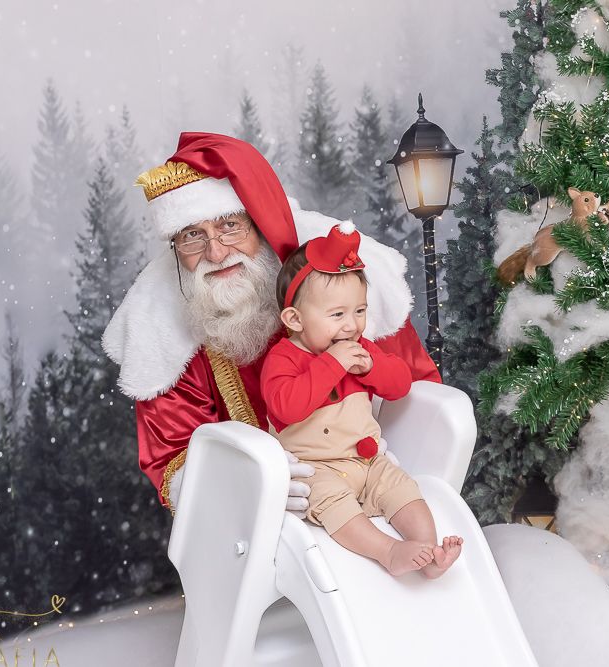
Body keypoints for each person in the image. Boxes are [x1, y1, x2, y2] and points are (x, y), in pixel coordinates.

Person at [102, 133, 439, 514]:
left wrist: (386, 462)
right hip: (255, 530)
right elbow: (173, 458)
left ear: (259, 224)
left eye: (230, 225)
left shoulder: (340, 286)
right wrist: (247, 488)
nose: (215, 252)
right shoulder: (163, 326)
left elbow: (419, 393)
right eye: (193, 236)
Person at [262, 222, 463, 577]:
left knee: (402, 486)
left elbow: (400, 385)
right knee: (331, 503)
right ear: (295, 319)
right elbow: (286, 407)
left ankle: (430, 553)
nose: (352, 325)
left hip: (367, 460)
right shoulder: (283, 359)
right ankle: (389, 551)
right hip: (315, 468)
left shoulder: (360, 350)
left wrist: (372, 367)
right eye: (337, 314)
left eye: (359, 311)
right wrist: (330, 365)